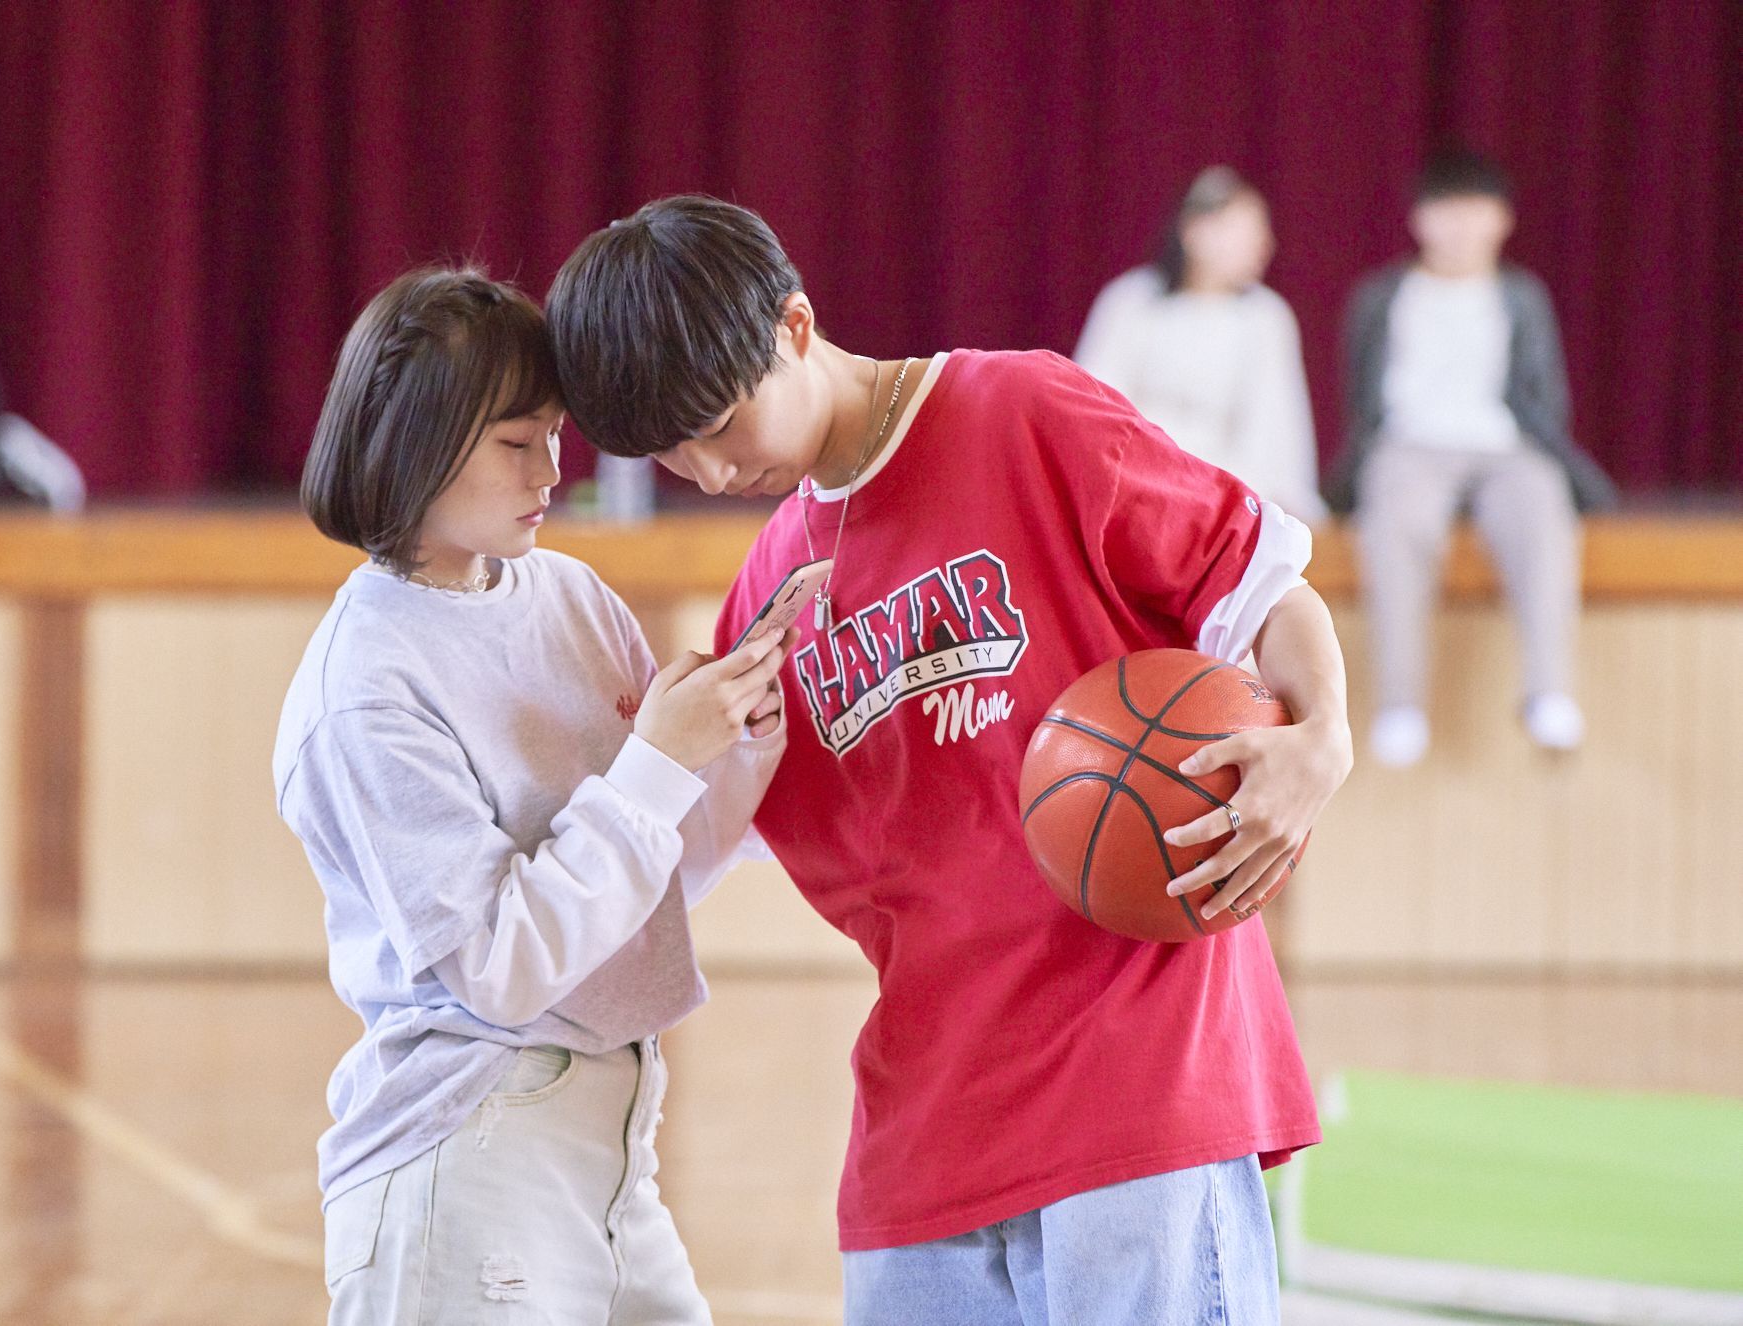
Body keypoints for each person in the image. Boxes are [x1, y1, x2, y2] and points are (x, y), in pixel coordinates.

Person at [548, 197, 1352, 1325]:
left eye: (720, 424)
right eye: (669, 453)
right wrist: (679, 758)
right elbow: (694, 868)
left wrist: (1320, 737)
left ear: (792, 325)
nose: (709, 471)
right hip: (923, 1134)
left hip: (1137, 1083)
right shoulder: (763, 604)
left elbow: (1263, 585)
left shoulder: (1022, 410)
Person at [273, 266, 792, 1324]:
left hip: (607, 1154)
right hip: (464, 1157)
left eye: (555, 434)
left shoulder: (565, 594)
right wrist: (656, 760)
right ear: (413, 442)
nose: (551, 468)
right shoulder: (363, 688)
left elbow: (644, 881)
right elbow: (501, 967)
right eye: (517, 442)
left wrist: (735, 747)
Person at [1327, 151, 1615, 767]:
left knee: (1543, 514)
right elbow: (1360, 393)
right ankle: (1400, 704)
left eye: (1474, 211)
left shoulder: (1521, 296)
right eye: (1444, 210)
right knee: (1396, 526)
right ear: (1418, 220)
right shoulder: (1383, 296)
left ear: (1502, 221)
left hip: (1505, 448)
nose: (1458, 226)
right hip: (1410, 446)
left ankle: (1547, 693)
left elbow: (1545, 394)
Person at [1075, 165, 1327, 521]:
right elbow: (1095, 400)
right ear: (1195, 232)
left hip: (1226, 486)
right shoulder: (1131, 301)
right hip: (1136, 474)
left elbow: (1278, 423)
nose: (1262, 243)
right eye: (1245, 230)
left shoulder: (1265, 317)